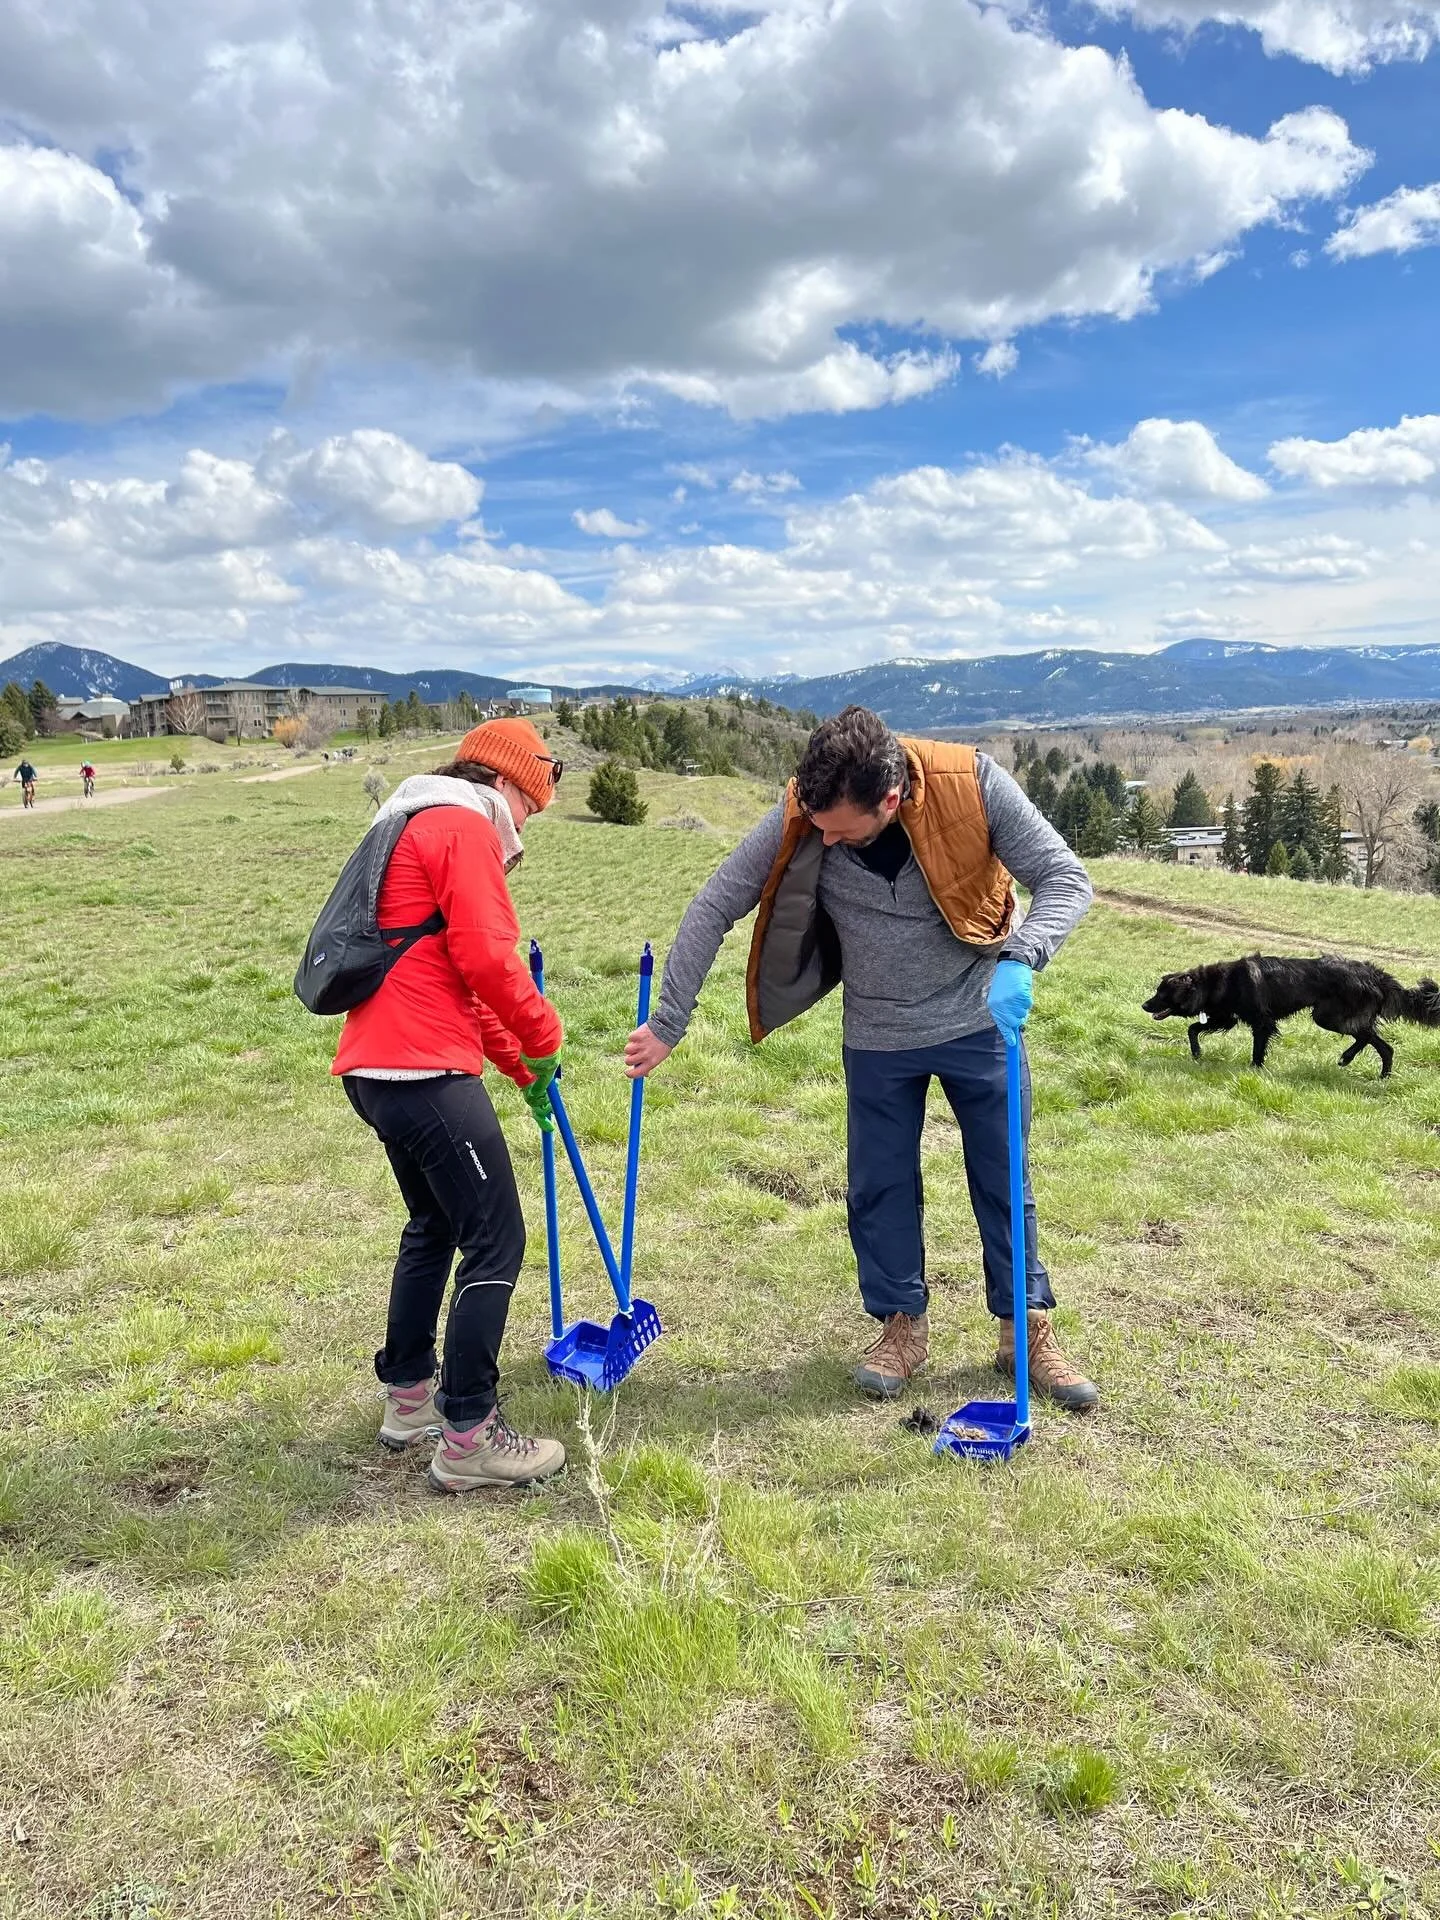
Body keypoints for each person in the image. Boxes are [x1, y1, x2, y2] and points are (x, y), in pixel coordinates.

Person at [625, 705, 1099, 1409]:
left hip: (980, 1018)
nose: (823, 838)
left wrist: (1025, 956)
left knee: (1004, 1179)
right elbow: (714, 904)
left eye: (839, 829)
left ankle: (1024, 1328)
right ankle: (901, 1326)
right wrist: (669, 1022)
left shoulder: (971, 784)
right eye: (817, 824)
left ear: (891, 798)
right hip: (877, 1035)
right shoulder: (806, 807)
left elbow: (1066, 879)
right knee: (878, 1186)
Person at [333, 717, 568, 1492]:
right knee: (496, 1239)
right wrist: (546, 1033)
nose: (528, 827)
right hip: (421, 1070)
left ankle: (408, 1399)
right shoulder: (461, 826)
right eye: (532, 805)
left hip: (375, 1065)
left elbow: (453, 975)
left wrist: (520, 1066)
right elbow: (489, 958)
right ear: (505, 783)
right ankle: (470, 1435)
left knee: (434, 1222)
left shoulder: (411, 821)